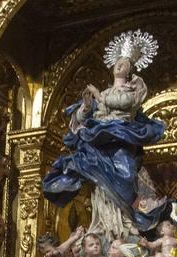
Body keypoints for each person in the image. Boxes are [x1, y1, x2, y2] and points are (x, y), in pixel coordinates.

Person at [42, 30, 168, 239]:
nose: (119, 65)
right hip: (100, 143)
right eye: (117, 62)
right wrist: (87, 105)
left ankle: (125, 224)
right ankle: (105, 227)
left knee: (126, 175)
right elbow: (85, 118)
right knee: (100, 185)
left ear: (130, 71)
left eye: (124, 63)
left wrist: (99, 96)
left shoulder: (132, 90)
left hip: (121, 138)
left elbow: (125, 104)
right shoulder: (106, 92)